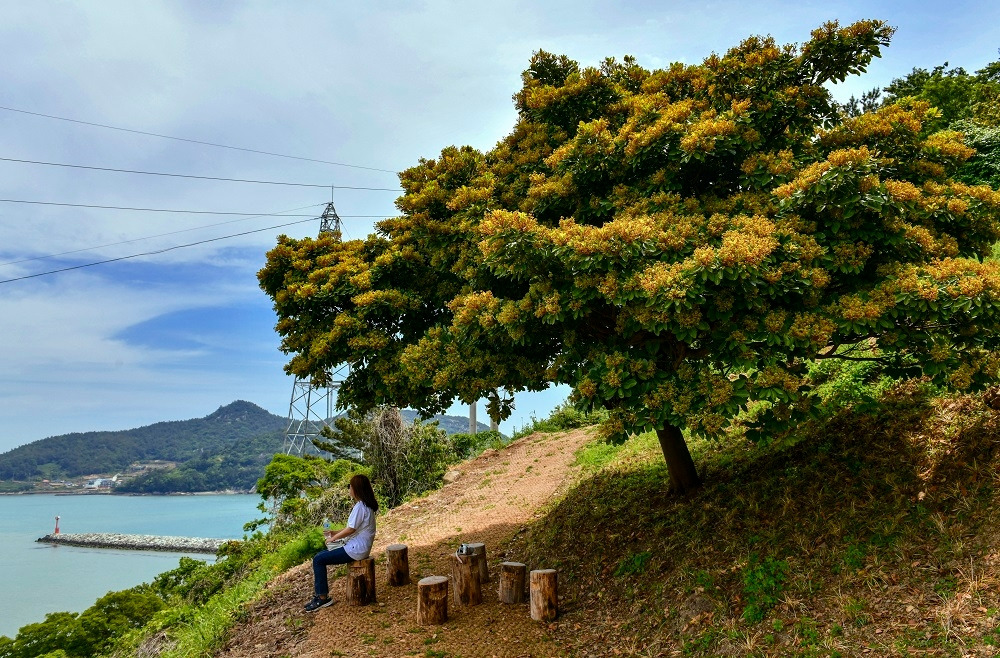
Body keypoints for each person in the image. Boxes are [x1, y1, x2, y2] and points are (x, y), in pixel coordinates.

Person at [305, 473, 379, 612]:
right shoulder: (365, 505)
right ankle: (320, 595)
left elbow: (351, 529)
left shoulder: (360, 507)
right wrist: (335, 533)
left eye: (350, 486)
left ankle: (322, 598)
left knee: (319, 560)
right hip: (358, 547)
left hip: (356, 549)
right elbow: (353, 528)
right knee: (320, 556)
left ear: (356, 489)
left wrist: (333, 539)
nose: (349, 488)